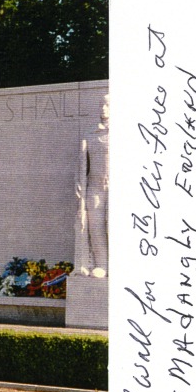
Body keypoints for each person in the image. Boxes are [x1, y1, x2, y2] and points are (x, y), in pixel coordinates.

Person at [75, 95, 109, 278]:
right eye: (101, 105)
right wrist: (79, 186)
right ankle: (102, 265)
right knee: (95, 226)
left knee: (112, 225)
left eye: (107, 105)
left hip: (115, 187)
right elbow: (81, 166)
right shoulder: (90, 135)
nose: (103, 109)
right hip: (95, 186)